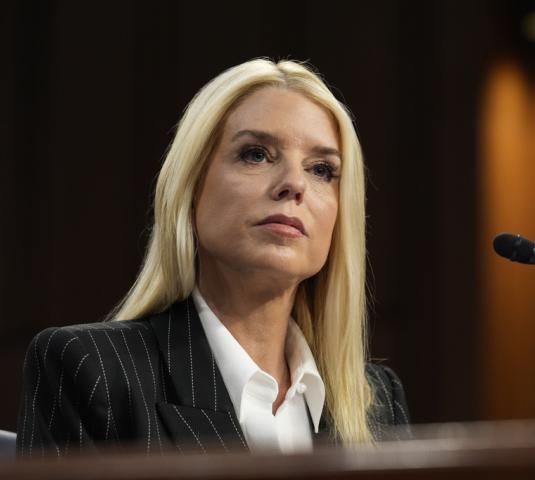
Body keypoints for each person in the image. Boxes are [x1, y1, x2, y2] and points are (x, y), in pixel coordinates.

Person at [16, 58, 411, 457]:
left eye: (322, 169)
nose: (294, 184)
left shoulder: (377, 401)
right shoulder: (93, 369)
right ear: (190, 187)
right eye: (256, 154)